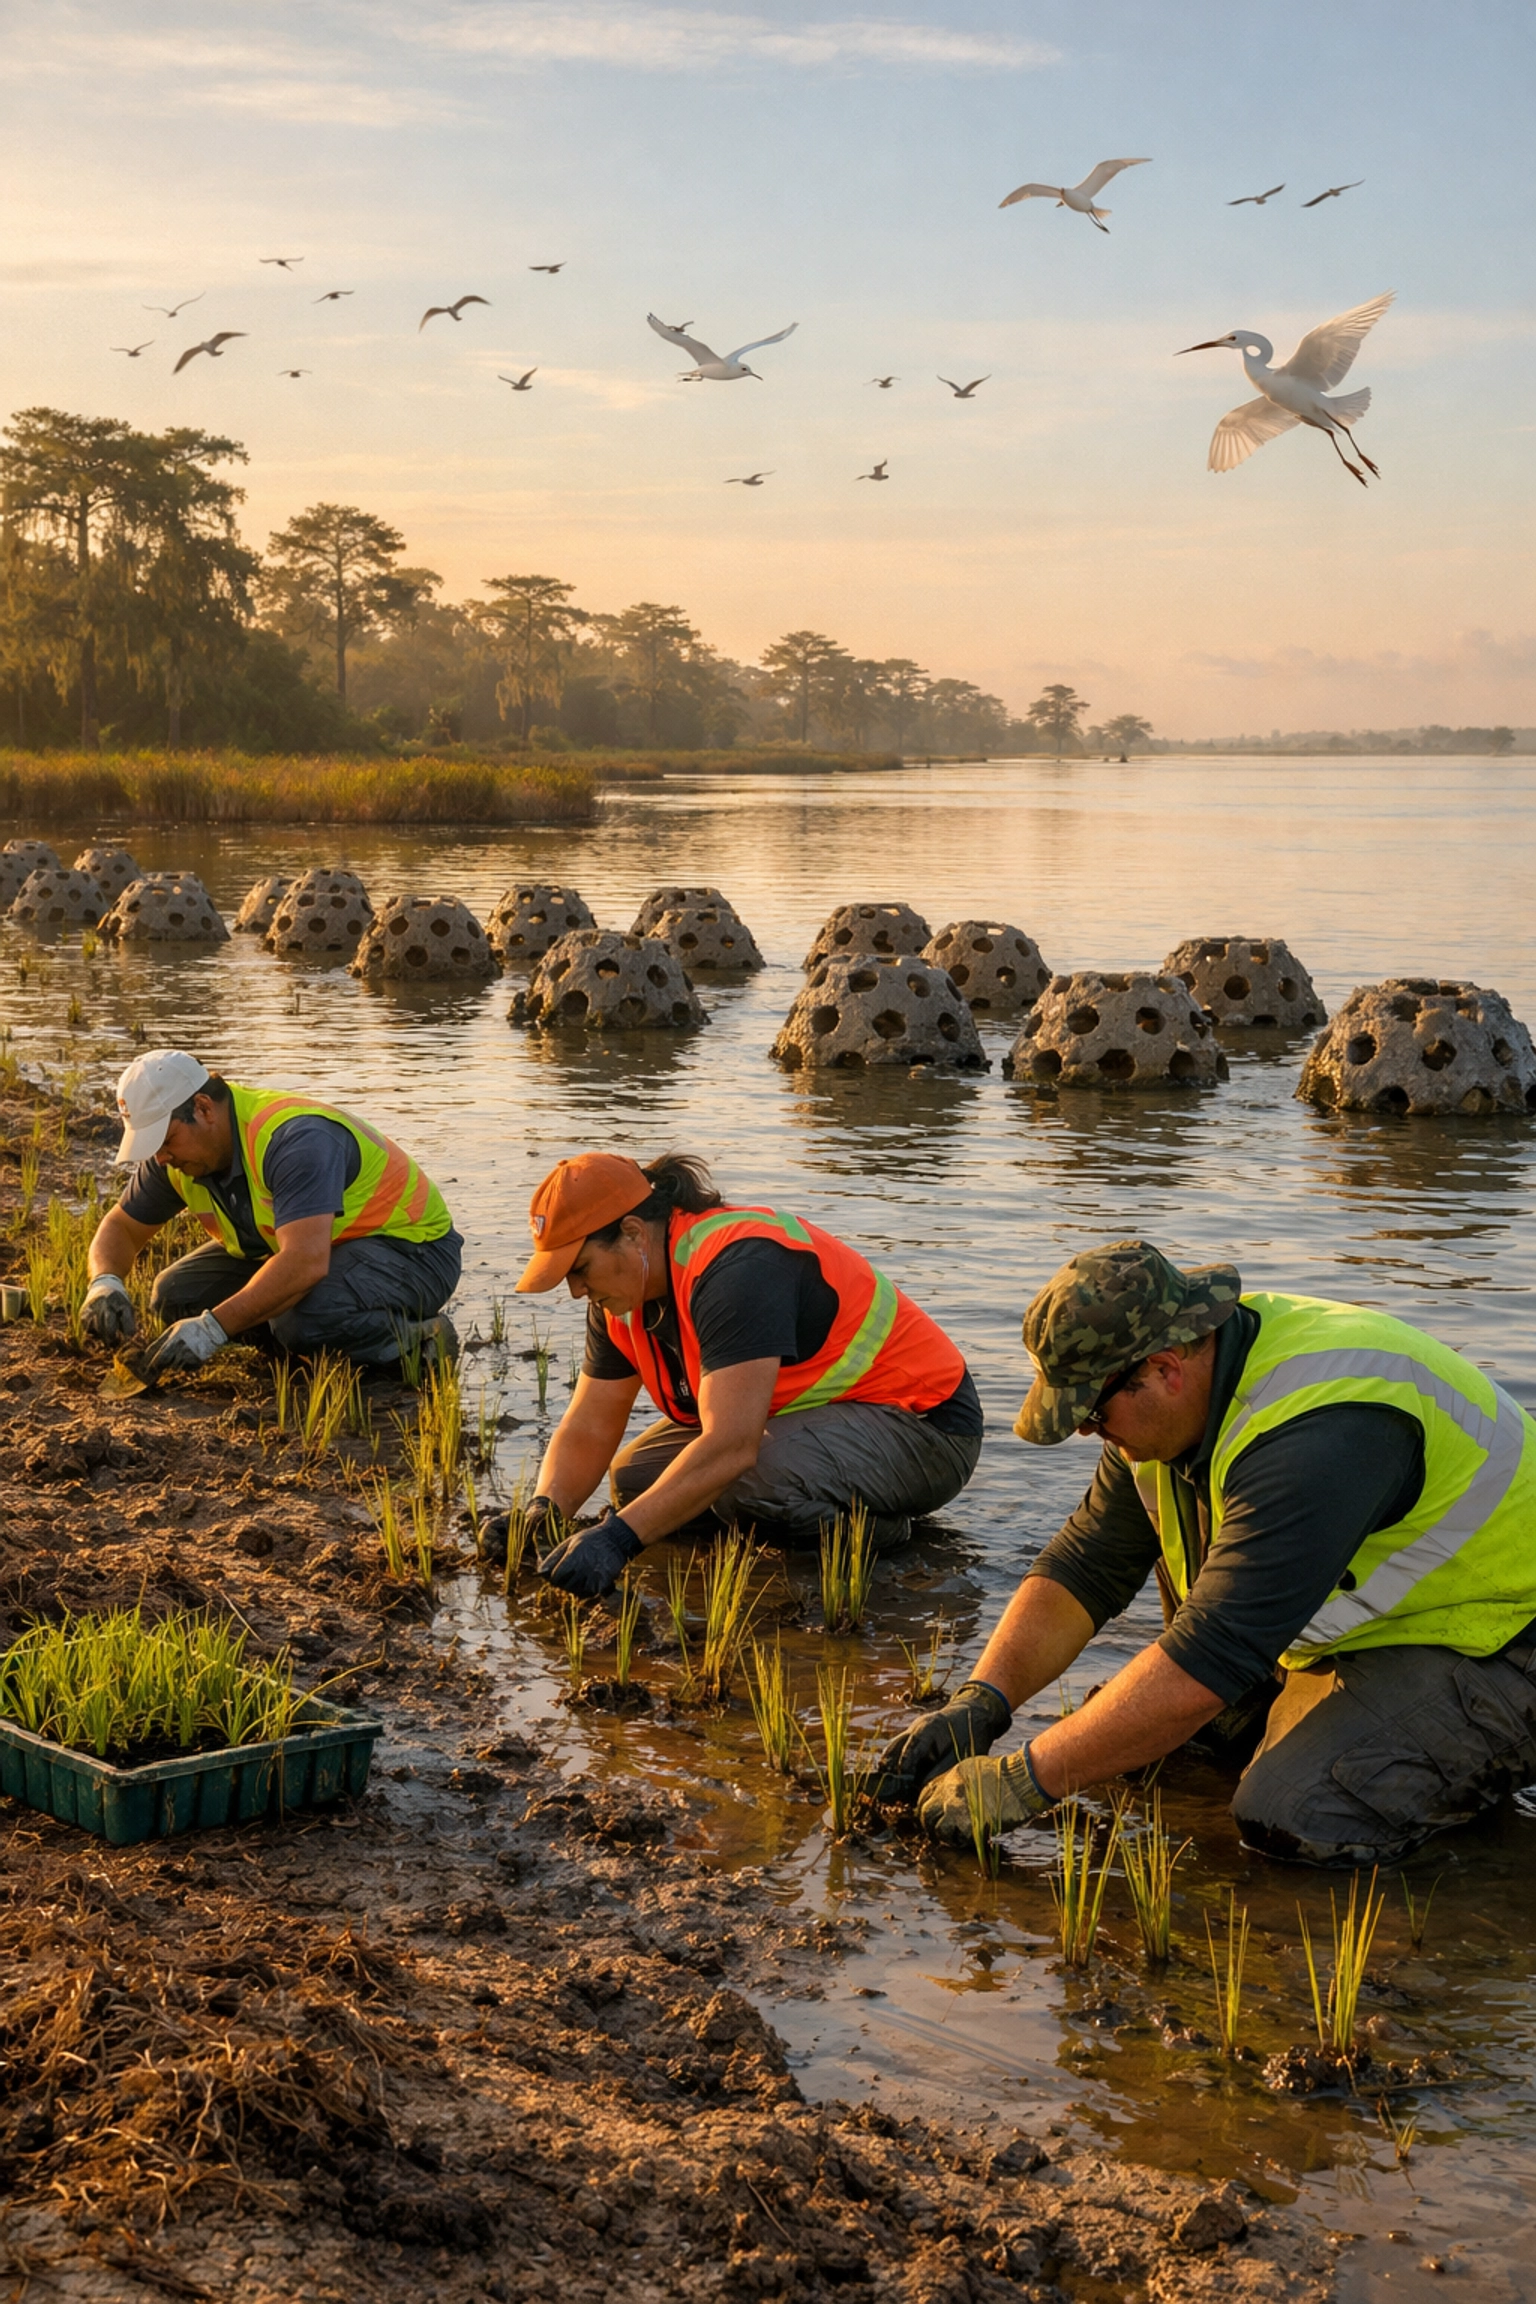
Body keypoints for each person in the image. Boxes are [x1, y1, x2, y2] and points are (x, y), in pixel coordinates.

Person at [874, 1238, 1536, 1867]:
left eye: (1093, 1412)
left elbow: (1211, 1655)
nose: (1085, 1430)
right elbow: (1086, 1566)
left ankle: (1474, 1902)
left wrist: (1025, 1781)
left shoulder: (1316, 1436)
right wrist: (981, 1703)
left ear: (1164, 1370)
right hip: (1394, 1624)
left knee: (1294, 1813)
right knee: (1152, 1746)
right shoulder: (1188, 1391)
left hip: (1503, 1643)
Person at [510, 1151, 982, 1598]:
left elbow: (731, 1446)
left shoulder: (735, 1268)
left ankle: (883, 1532)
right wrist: (544, 1510)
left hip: (928, 1426)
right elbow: (591, 1423)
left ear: (633, 1232)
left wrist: (617, 1540)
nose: (575, 1291)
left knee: (748, 1483)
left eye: (580, 1268)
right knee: (636, 1480)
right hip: (826, 1420)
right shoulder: (619, 1297)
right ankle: (788, 1526)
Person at [80, 1048, 461, 1375]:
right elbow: (122, 1228)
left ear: (203, 1108)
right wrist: (105, 1282)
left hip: (413, 1251)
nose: (161, 1157)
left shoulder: (295, 1139)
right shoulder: (174, 1159)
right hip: (318, 1249)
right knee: (176, 1295)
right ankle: (304, 1346)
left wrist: (213, 1329)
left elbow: (305, 1261)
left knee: (305, 1318)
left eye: (164, 1140)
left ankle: (418, 1341)